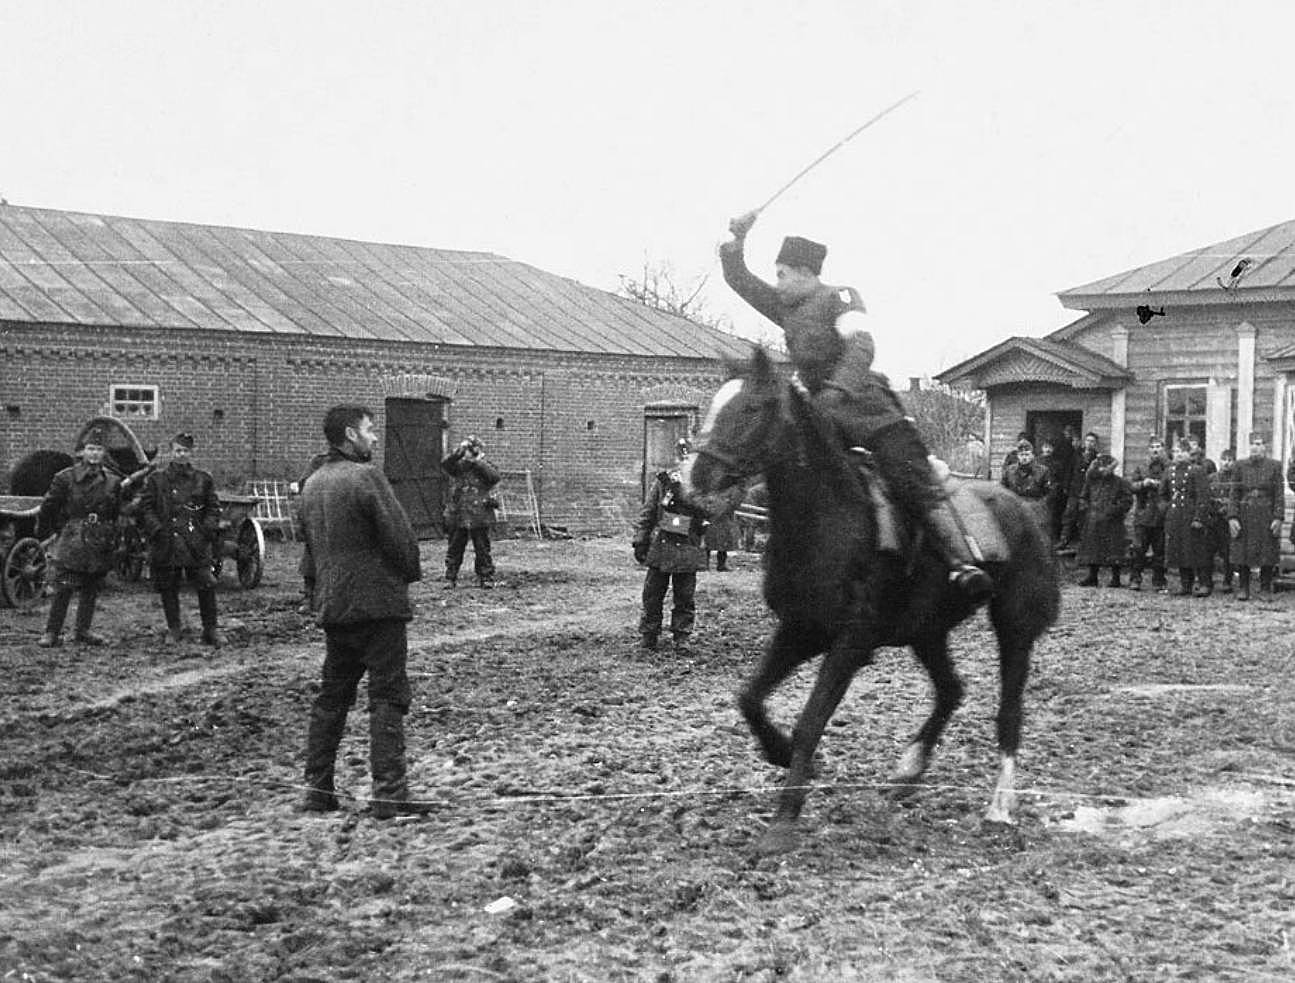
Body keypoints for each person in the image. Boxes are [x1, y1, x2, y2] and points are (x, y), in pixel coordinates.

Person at [720, 210, 992, 601]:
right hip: (818, 415)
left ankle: (959, 562)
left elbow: (861, 345)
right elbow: (738, 279)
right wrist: (736, 238)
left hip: (868, 410)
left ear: (804, 272)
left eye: (781, 274)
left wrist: (836, 392)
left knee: (909, 476)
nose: (776, 284)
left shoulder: (840, 298)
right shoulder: (786, 306)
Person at [298, 404, 428, 819]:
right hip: (378, 607)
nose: (375, 438)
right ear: (351, 435)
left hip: (335, 608)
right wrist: (406, 576)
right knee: (388, 696)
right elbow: (401, 540)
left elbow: (309, 554)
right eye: (370, 431)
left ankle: (317, 790)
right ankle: (389, 792)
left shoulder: (313, 482)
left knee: (331, 698)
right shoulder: (367, 477)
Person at [34, 426, 121, 647]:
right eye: (90, 449)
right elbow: (49, 508)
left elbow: (114, 512)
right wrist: (60, 531)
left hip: (99, 538)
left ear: (104, 453)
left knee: (91, 586)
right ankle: (52, 632)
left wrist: (108, 535)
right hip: (73, 537)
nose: (94, 454)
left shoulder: (112, 481)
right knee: (65, 585)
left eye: (98, 449)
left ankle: (83, 630)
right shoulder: (65, 478)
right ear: (82, 452)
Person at [137, 432, 224, 647]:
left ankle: (210, 629)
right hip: (167, 540)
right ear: (171, 452)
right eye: (177, 450)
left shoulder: (203, 479)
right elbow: (146, 508)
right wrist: (156, 529)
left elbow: (213, 508)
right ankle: (174, 629)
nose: (181, 455)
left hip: (195, 541)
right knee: (168, 585)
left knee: (206, 584)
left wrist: (206, 530)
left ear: (191, 452)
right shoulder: (157, 480)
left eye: (185, 451)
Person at [632, 439, 710, 652]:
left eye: (689, 456)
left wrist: (687, 503)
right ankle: (649, 634)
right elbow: (648, 512)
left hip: (687, 547)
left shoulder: (702, 485)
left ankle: (681, 636)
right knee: (652, 594)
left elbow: (708, 513)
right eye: (681, 455)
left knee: (684, 596)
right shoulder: (663, 482)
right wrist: (640, 539)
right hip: (662, 547)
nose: (684, 459)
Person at [1227, 433, 1284, 600]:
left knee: (1267, 550)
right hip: (1245, 512)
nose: (1255, 447)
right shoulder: (1240, 466)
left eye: (1259, 444)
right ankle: (1244, 588)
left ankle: (1265, 588)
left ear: (1265, 446)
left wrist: (1278, 517)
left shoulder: (1274, 466)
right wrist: (1232, 517)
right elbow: (1234, 493)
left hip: (1266, 513)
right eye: (1252, 444)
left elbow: (1279, 494)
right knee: (1242, 550)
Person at [441, 435, 500, 589]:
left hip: (480, 513)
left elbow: (494, 477)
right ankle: (450, 577)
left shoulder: (485, 466)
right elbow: (446, 464)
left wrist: (477, 462)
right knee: (455, 547)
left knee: (482, 549)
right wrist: (459, 452)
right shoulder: (458, 466)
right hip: (459, 512)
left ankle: (486, 576)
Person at [1161, 440, 1214, 596]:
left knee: (1197, 551)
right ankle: (1186, 585)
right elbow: (1162, 495)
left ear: (1189, 454)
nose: (1179, 455)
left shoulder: (1197, 471)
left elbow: (1203, 497)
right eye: (1176, 452)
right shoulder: (1168, 472)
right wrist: (1166, 510)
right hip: (1175, 516)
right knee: (1180, 550)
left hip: (1191, 516)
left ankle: (1204, 583)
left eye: (1182, 452)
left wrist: (1199, 518)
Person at [1075, 454, 1133, 587]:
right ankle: (1092, 576)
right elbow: (1083, 497)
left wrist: (1114, 510)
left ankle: (1116, 578)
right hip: (1093, 519)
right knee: (1092, 549)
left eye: (1107, 466)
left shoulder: (1120, 482)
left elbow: (1127, 500)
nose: (1103, 470)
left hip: (1113, 521)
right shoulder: (1092, 481)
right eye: (1101, 466)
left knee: (1114, 550)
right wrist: (1086, 508)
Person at [1127, 436, 1169, 592]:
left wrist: (1161, 486)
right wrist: (1143, 484)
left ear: (1163, 449)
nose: (1156, 450)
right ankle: (1135, 579)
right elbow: (1131, 486)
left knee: (1160, 550)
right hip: (1143, 514)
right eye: (1153, 447)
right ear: (1148, 450)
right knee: (1138, 549)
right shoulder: (1141, 467)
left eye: (1159, 447)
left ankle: (1159, 581)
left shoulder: (1169, 468)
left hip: (1161, 515)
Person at [1058, 432, 1100, 552]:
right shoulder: (1076, 455)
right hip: (1074, 491)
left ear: (1095, 444)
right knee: (1068, 516)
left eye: (1092, 441)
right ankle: (1063, 540)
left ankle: (1084, 543)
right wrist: (1066, 486)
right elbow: (1069, 471)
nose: (1089, 443)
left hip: (1088, 493)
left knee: (1084, 519)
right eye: (1088, 440)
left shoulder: (1097, 458)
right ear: (1084, 442)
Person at [1000, 439, 1051, 529]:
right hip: (1014, 511)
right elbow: (1002, 490)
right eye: (1021, 455)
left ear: (1032, 455)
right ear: (1017, 456)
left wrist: (1038, 506)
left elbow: (1049, 494)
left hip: (1034, 511)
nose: (1024, 458)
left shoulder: (1043, 471)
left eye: (1027, 454)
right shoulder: (1009, 471)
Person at [704, 480, 745, 571]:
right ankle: (705, 564)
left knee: (723, 543)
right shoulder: (712, 489)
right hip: (714, 517)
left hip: (723, 518)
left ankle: (720, 565)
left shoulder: (731, 489)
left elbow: (734, 503)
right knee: (709, 542)